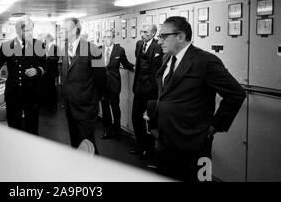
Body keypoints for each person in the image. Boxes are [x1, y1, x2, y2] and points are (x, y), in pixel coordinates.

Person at [149, 16, 245, 181]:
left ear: (180, 36)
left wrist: (215, 125)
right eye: (159, 36)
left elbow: (236, 94)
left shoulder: (205, 61)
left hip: (193, 142)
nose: (159, 41)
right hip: (166, 140)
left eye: (164, 36)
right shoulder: (168, 59)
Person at [0, 16, 46, 135]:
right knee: (14, 127)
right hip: (13, 94)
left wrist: (37, 71)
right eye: (26, 30)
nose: (30, 33)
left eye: (31, 30)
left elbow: (44, 66)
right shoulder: (6, 46)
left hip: (31, 93)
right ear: (18, 31)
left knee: (32, 127)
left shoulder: (39, 45)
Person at [61, 17, 102, 154]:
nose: (61, 32)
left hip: (86, 106)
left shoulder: (93, 49)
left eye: (64, 29)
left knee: (88, 144)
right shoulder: (66, 48)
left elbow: (101, 78)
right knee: (75, 143)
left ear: (75, 30)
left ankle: (95, 171)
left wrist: (94, 99)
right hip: (70, 105)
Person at [129, 24, 163, 158]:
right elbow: (138, 64)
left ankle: (149, 150)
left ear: (153, 34)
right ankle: (140, 145)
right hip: (138, 87)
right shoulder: (139, 44)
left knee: (150, 120)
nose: (142, 34)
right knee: (136, 117)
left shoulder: (158, 46)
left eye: (146, 32)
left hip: (151, 90)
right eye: (141, 31)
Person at [99, 30, 134, 140]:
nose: (107, 39)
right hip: (103, 84)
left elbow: (126, 63)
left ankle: (117, 131)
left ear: (113, 37)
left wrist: (135, 67)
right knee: (105, 107)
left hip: (114, 84)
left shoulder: (119, 50)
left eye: (109, 36)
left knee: (115, 107)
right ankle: (107, 130)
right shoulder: (99, 50)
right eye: (105, 36)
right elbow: (96, 68)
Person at [42, 33, 60, 112]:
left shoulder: (56, 48)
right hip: (44, 72)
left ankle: (53, 106)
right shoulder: (43, 47)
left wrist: (47, 57)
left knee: (52, 89)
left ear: (49, 38)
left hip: (51, 72)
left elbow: (56, 59)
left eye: (45, 38)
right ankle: (46, 106)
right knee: (45, 89)